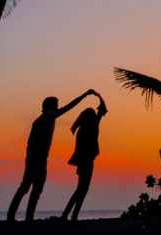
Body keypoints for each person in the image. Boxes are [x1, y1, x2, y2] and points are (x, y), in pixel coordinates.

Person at [6, 89, 96, 222]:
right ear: (50, 107)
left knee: (34, 188)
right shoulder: (44, 119)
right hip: (36, 159)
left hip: (38, 158)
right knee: (28, 187)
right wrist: (84, 95)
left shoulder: (45, 119)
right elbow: (70, 106)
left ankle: (26, 217)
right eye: (56, 105)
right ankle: (15, 216)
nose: (58, 108)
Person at [60, 93, 108, 221]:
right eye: (92, 114)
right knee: (82, 189)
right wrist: (98, 96)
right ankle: (69, 215)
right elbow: (103, 109)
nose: (94, 116)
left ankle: (69, 215)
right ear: (89, 117)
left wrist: (97, 96)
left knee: (81, 189)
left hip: (85, 162)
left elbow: (102, 109)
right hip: (86, 162)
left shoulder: (84, 129)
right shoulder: (92, 127)